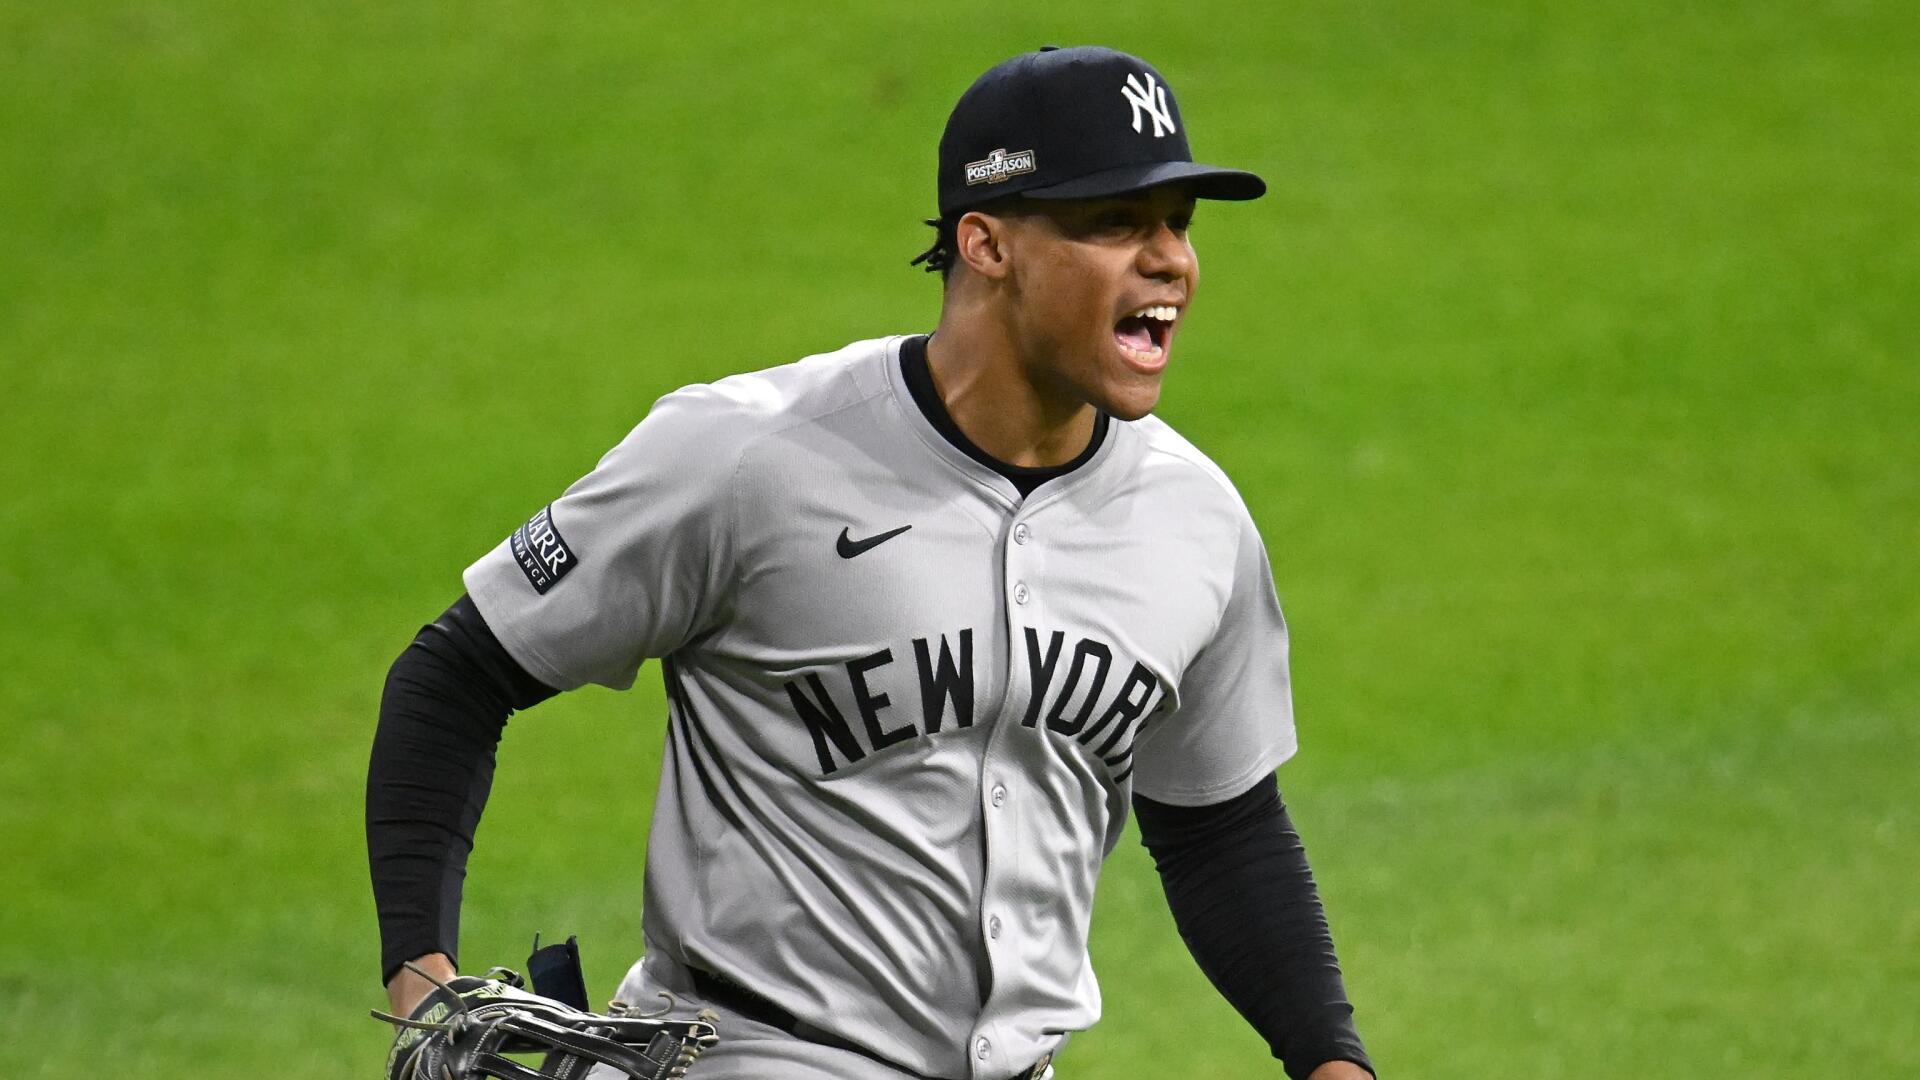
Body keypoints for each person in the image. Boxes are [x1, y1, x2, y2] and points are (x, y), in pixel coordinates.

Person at [368, 45, 1374, 1080]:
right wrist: (420, 972)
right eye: (1115, 224)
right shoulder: (749, 456)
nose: (1169, 261)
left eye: (1179, 225)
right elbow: (457, 676)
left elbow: (1221, 828)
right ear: (985, 243)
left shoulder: (1193, 519)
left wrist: (1330, 1059)